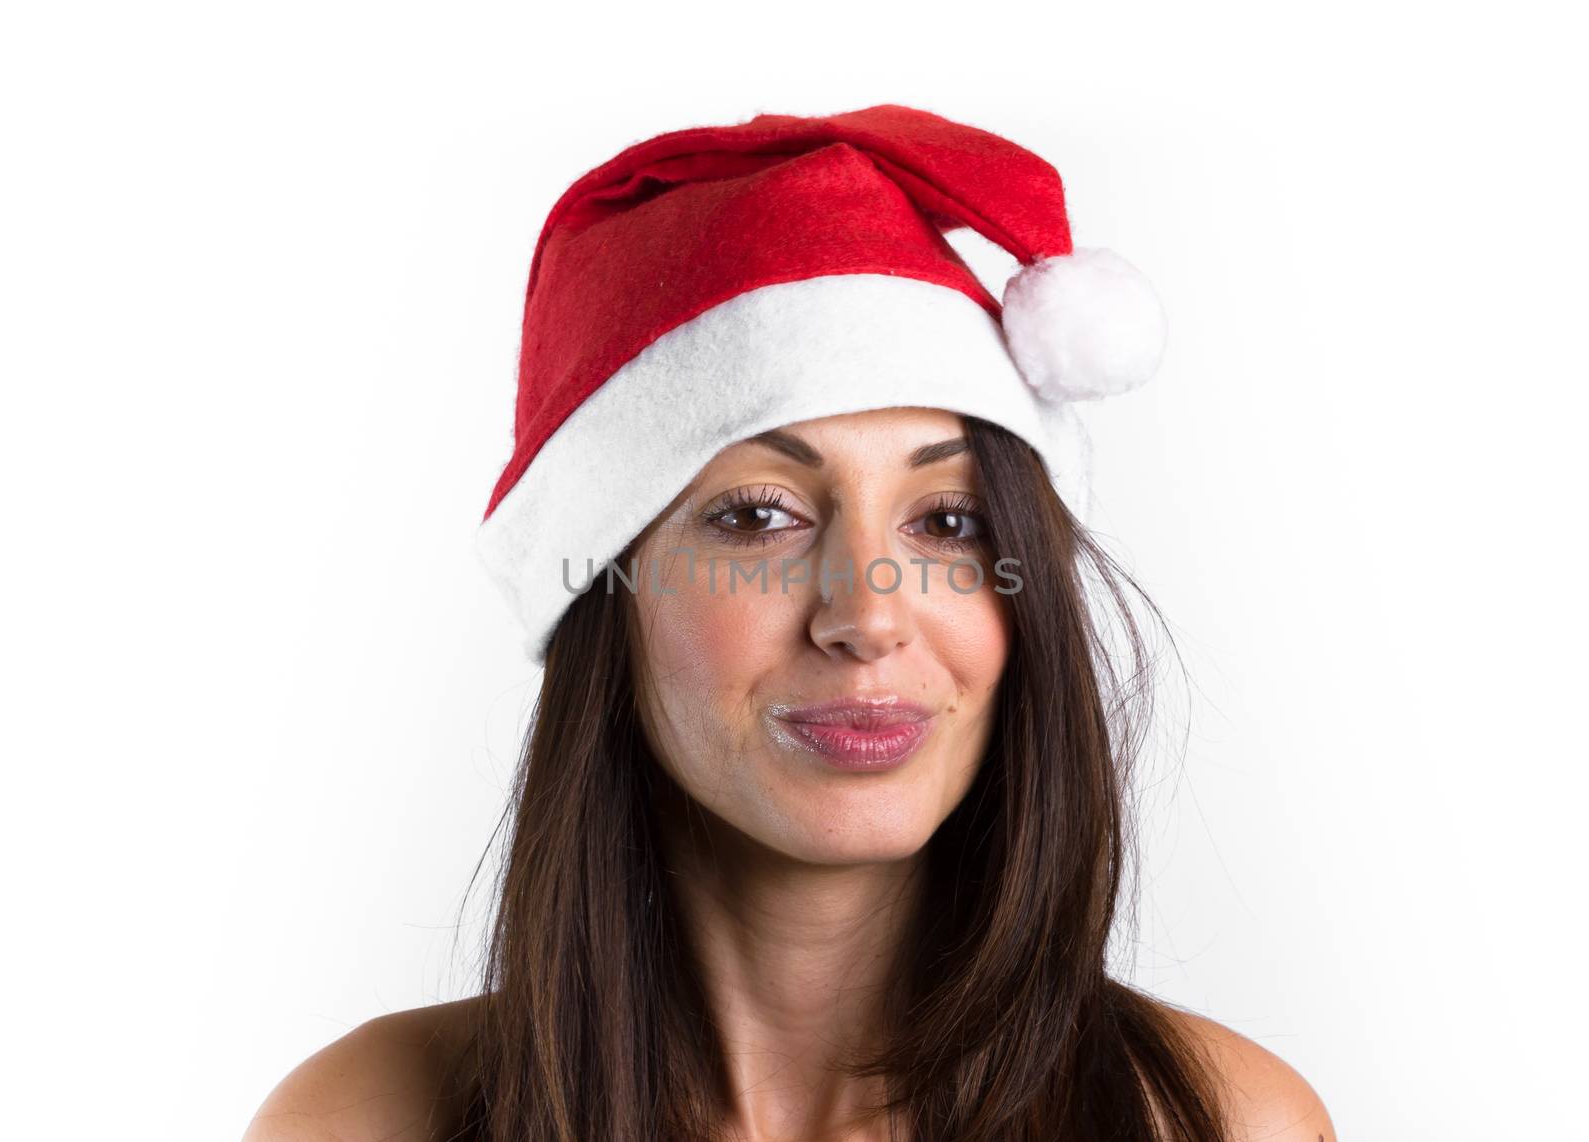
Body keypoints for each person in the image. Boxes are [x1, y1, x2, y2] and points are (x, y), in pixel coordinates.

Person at [244, 104, 1336, 1141]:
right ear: (604, 596)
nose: (865, 616)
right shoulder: (365, 1118)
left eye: (949, 520)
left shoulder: (1215, 1121)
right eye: (758, 514)